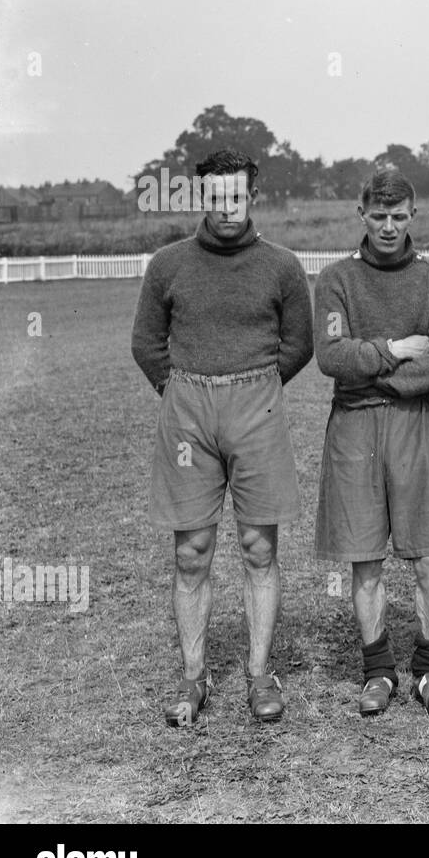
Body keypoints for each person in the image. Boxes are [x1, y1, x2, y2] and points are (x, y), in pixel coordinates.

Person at [131, 148, 313, 725]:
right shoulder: (168, 264)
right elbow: (146, 343)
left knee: (260, 547)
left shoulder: (282, 265)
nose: (227, 207)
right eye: (216, 197)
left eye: (237, 196)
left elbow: (299, 344)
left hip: (256, 408)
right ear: (201, 198)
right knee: (192, 552)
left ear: (252, 197)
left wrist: (255, 390)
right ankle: (193, 677)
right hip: (188, 412)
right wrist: (180, 392)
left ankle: (261, 674)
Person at [314, 169, 429, 717]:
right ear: (361, 215)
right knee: (364, 560)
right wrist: (398, 347)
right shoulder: (335, 280)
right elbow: (331, 356)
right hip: (355, 425)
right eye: (378, 216)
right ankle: (377, 669)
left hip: (419, 422)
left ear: (412, 217)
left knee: (428, 556)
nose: (387, 226)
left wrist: (376, 370)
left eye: (398, 216)